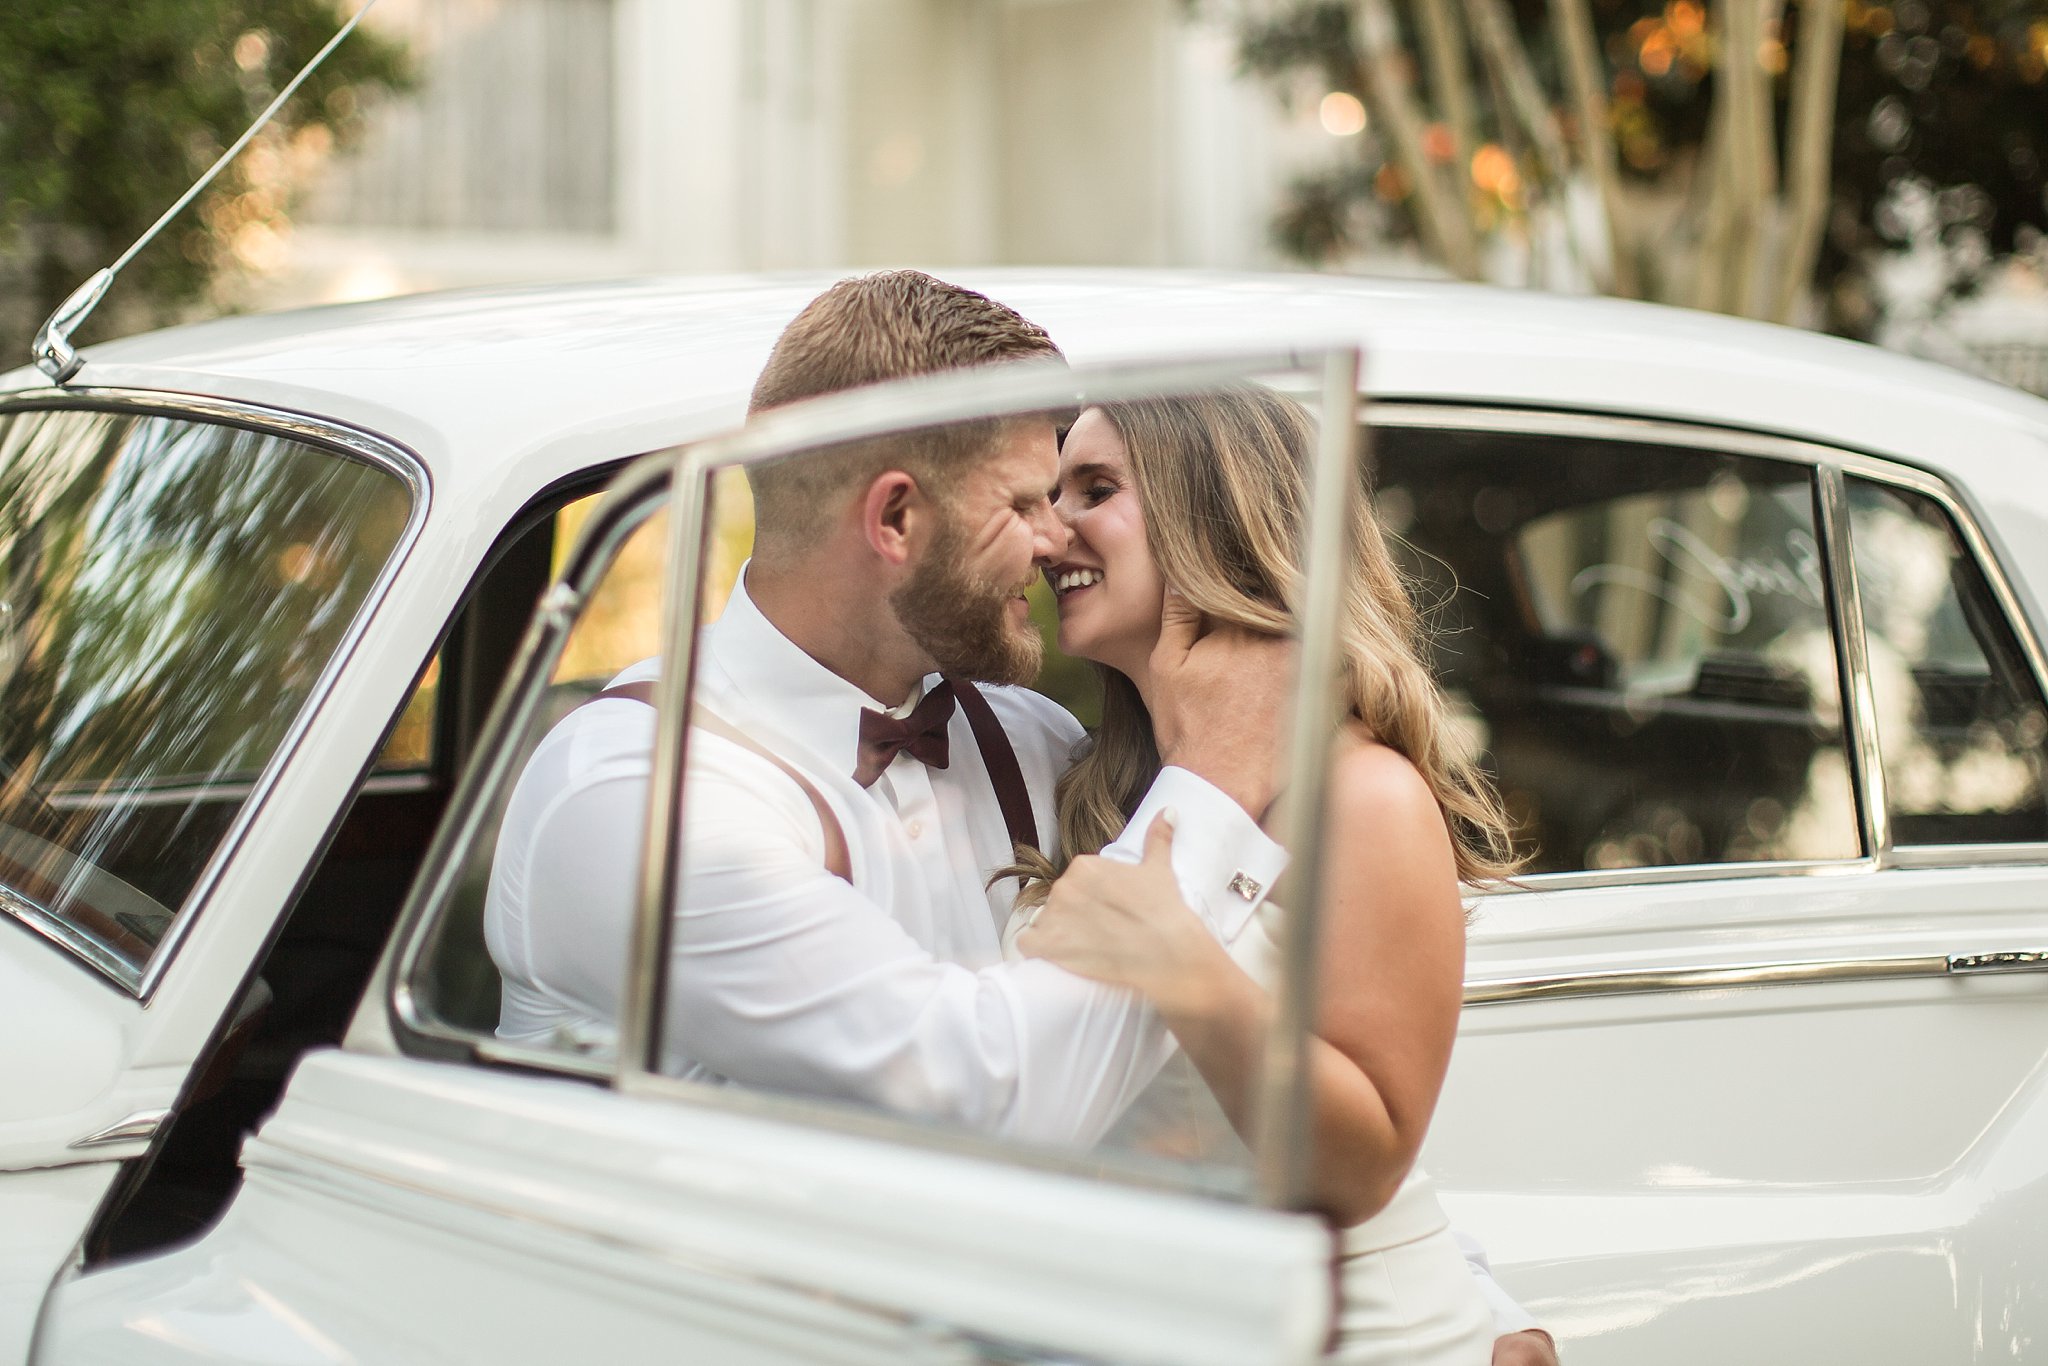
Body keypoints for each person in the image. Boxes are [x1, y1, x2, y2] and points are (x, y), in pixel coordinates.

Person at [484, 271, 1555, 1364]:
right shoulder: (637, 799)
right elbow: (990, 1102)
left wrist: (1470, 1297)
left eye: (1081, 490)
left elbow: (1259, 1088)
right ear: (895, 517)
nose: (1054, 540)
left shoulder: (1039, 746)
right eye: (1028, 500)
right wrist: (1222, 771)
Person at [1010, 388, 1532, 1365]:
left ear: (1216, 517)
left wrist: (1178, 963)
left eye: (1093, 489)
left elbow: (1364, 1161)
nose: (1050, 530)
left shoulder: (1360, 795)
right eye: (1048, 492)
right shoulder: (1093, 785)